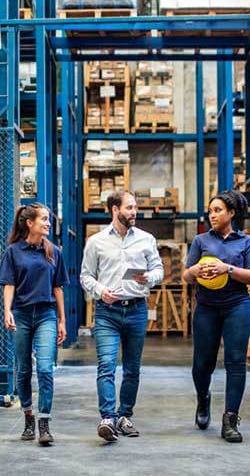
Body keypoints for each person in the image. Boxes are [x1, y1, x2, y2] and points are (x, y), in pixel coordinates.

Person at [80, 190, 163, 443]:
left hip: (137, 309)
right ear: (115, 210)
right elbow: (86, 276)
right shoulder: (96, 242)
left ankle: (124, 416)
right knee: (106, 365)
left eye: (135, 207)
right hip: (107, 312)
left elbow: (158, 269)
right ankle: (107, 417)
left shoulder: (146, 239)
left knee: (132, 368)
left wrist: (150, 277)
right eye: (129, 207)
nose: (134, 212)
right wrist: (100, 291)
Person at [183, 190, 250, 443]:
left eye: (217, 210)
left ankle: (230, 419)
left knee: (235, 362)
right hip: (206, 307)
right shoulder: (201, 240)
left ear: (231, 213)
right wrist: (194, 270)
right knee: (202, 363)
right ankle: (203, 398)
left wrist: (226, 268)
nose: (212, 215)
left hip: (237, 306)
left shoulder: (245, 243)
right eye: (211, 210)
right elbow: (186, 275)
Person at [0, 203, 68, 446]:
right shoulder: (14, 251)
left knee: (46, 368)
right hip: (22, 315)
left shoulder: (53, 252)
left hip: (47, 314)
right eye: (44, 219)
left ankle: (44, 422)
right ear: (30, 223)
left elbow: (58, 288)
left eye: (48, 219)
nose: (48, 223)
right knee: (23, 368)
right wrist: (7, 311)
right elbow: (9, 284)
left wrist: (62, 320)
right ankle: (28, 415)